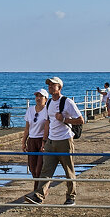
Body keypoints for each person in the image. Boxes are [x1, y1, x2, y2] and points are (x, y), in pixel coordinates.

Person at [25, 76, 83, 205]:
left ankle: (71, 196)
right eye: (49, 85)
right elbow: (47, 123)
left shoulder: (67, 102)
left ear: (60, 87)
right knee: (46, 170)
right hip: (51, 141)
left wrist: (64, 119)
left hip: (65, 141)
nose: (50, 87)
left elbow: (80, 120)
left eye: (53, 85)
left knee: (69, 170)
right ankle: (39, 196)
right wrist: (44, 141)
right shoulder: (49, 103)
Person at [21, 88, 50, 183]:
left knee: (39, 169)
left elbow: (47, 127)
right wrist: (23, 142)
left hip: (42, 139)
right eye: (37, 96)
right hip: (32, 140)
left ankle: (37, 192)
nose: (38, 98)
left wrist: (44, 142)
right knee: (32, 168)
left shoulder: (47, 110)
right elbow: (27, 128)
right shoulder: (30, 110)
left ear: (46, 99)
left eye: (41, 96)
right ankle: (37, 191)